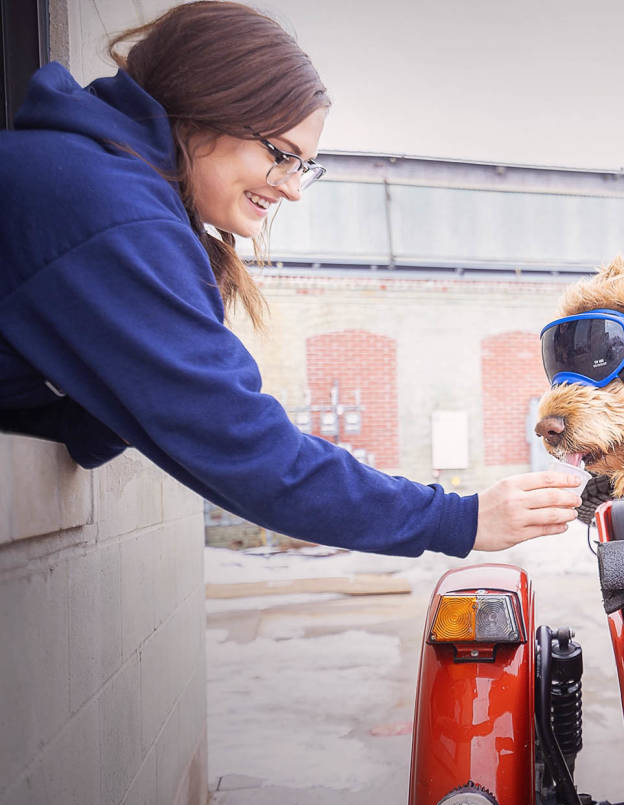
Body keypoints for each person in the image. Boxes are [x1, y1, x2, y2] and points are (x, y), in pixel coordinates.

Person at [0, 1, 582, 556]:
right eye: (282, 154)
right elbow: (244, 446)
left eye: (304, 166)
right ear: (207, 107)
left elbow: (112, 418)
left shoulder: (94, 183)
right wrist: (457, 518)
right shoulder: (110, 211)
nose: (291, 187)